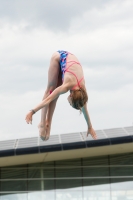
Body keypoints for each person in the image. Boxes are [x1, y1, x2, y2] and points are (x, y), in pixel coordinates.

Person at [25, 50, 97, 141]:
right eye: (70, 104)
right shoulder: (67, 85)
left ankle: (49, 124)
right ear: (71, 96)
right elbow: (47, 99)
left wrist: (90, 126)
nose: (69, 104)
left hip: (70, 63)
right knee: (51, 90)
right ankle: (42, 123)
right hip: (60, 57)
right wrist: (32, 112)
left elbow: (84, 109)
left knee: (56, 94)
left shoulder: (82, 92)